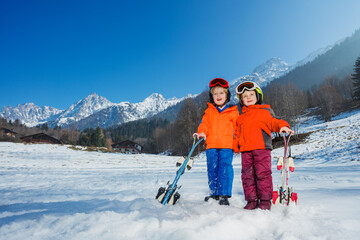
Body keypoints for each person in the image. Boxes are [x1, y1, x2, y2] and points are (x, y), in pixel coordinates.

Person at [233, 81, 294, 210]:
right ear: (241, 100)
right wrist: (236, 146)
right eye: (245, 96)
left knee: (263, 174)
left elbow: (274, 122)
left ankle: (265, 200)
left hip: (261, 148)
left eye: (251, 94)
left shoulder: (264, 111)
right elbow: (237, 134)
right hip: (245, 151)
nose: (248, 97)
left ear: (258, 96)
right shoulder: (240, 117)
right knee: (247, 176)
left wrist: (283, 126)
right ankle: (251, 200)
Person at [193, 78, 239, 205]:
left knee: (225, 169)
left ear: (227, 95)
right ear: (211, 96)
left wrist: (237, 144)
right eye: (215, 93)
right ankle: (214, 193)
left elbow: (237, 129)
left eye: (221, 93)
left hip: (227, 146)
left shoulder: (233, 112)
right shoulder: (209, 111)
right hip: (211, 146)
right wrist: (202, 132)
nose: (218, 96)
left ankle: (224, 194)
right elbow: (204, 125)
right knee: (212, 169)